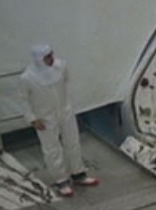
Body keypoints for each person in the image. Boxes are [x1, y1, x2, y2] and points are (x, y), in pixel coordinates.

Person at [18, 44, 99, 197]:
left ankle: (78, 173)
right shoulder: (27, 78)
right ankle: (61, 180)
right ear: (39, 59)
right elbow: (24, 100)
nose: (51, 59)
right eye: (47, 57)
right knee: (52, 149)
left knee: (73, 143)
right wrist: (32, 119)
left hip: (65, 112)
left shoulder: (61, 66)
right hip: (44, 117)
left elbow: (66, 83)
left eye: (51, 55)